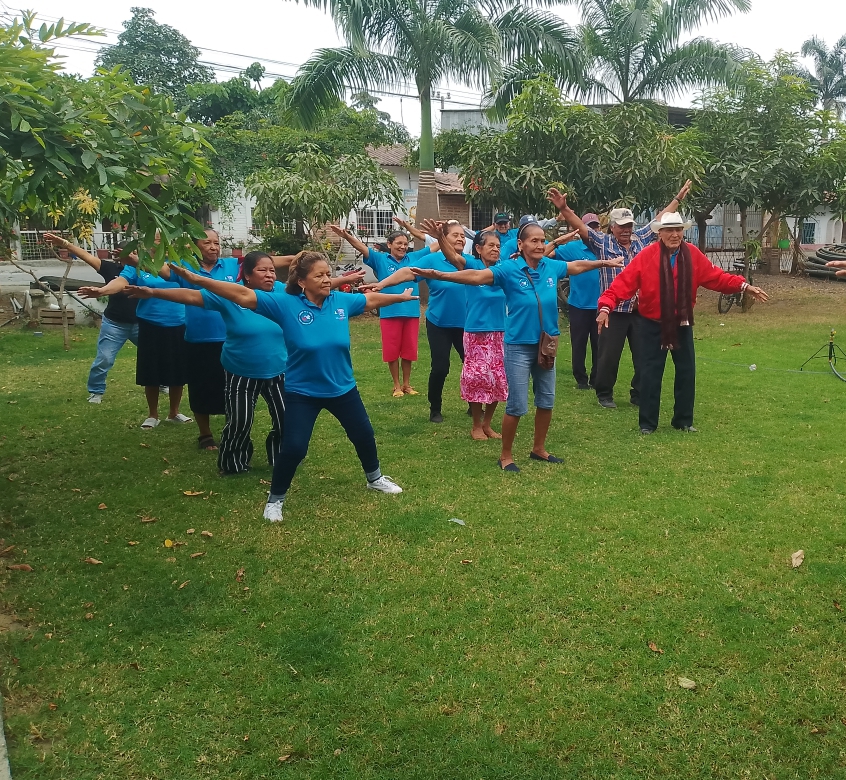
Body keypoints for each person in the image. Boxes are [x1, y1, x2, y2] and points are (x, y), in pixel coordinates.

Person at [167, 252, 416, 522]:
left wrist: (399, 298)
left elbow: (370, 300)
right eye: (319, 275)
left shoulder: (340, 301)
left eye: (328, 274)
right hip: (303, 392)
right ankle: (275, 500)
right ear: (302, 281)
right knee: (294, 447)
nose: (327, 279)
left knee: (363, 434)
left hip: (342, 388)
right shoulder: (283, 304)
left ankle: (374, 478)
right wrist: (197, 280)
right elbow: (241, 295)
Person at [410, 221, 622, 472]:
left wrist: (604, 263)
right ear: (520, 244)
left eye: (542, 241)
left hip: (547, 344)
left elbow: (576, 266)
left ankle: (539, 449)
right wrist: (439, 275)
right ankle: (506, 456)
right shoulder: (508, 269)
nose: (540, 245)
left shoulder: (550, 266)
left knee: (546, 401)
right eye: (534, 241)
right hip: (519, 346)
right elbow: (476, 276)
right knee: (517, 405)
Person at [597, 212, 769, 434]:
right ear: (660, 233)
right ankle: (647, 423)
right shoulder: (647, 256)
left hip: (682, 322)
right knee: (650, 373)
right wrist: (605, 307)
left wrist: (743, 286)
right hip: (652, 324)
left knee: (687, 372)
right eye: (670, 230)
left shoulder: (692, 254)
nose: (675, 234)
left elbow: (716, 277)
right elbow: (622, 284)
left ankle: (683, 421)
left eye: (678, 230)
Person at [126, 251, 287, 475]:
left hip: (278, 369)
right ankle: (233, 464)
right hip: (241, 370)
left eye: (272, 270)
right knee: (240, 422)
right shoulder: (232, 294)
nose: (270, 275)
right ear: (247, 276)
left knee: (286, 419)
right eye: (263, 270)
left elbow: (311, 288)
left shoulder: (282, 292)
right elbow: (192, 296)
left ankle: (283, 457)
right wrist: (153, 292)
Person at [549, 182, 692, 409]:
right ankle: (604, 394)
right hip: (614, 311)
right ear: (612, 227)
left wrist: (678, 198)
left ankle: (639, 393)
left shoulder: (641, 239)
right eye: (622, 226)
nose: (626, 230)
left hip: (639, 311)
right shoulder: (602, 243)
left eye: (629, 226)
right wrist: (564, 209)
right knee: (608, 355)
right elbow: (581, 227)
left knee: (644, 355)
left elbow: (660, 219)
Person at [369, 220, 469, 423]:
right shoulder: (432, 260)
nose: (460, 238)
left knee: (472, 366)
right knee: (440, 368)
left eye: (462, 235)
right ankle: (435, 409)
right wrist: (381, 284)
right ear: (444, 238)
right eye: (455, 235)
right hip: (439, 323)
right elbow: (407, 272)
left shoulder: (469, 262)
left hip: (467, 324)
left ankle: (474, 405)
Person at [78, 248, 190, 430]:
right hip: (150, 324)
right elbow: (120, 282)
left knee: (177, 372)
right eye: (154, 238)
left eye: (162, 238)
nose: (159, 242)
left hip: (179, 323)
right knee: (151, 372)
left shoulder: (180, 263)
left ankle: (174, 412)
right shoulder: (135, 266)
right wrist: (103, 291)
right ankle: (153, 415)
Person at [423, 221, 507, 440]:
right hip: (476, 332)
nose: (495, 249)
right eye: (491, 245)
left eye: (498, 246)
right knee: (476, 377)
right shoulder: (472, 264)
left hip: (499, 333)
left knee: (497, 378)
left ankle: (487, 424)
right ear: (478, 248)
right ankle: (476, 425)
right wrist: (440, 238)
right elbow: (453, 257)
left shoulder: (503, 269)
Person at [330, 225, 434, 397]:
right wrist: (346, 236)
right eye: (399, 243)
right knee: (392, 350)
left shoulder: (414, 257)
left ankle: (407, 384)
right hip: (389, 311)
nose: (403, 247)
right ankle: (396, 386)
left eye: (405, 244)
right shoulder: (380, 259)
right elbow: (361, 247)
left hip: (411, 312)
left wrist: (442, 233)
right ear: (389, 244)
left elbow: (435, 245)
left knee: (409, 350)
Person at [43, 233, 139, 404]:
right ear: (118, 255)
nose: (130, 256)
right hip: (115, 324)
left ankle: (161, 383)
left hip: (141, 323)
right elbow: (85, 255)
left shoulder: (146, 270)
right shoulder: (109, 268)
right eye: (126, 253)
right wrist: (65, 244)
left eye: (133, 252)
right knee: (105, 359)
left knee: (155, 354)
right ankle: (96, 391)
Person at [545, 215, 602, 389]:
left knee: (599, 345)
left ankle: (596, 379)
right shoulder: (572, 248)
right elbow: (547, 255)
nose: (592, 231)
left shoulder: (604, 247)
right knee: (579, 344)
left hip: (601, 306)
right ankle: (581, 380)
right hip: (579, 304)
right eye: (588, 227)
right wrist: (556, 242)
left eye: (595, 227)